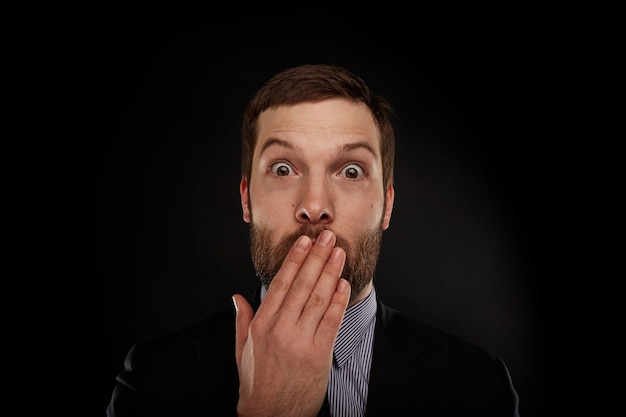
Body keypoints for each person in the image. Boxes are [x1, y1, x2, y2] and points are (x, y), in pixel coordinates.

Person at [106, 63, 520, 416]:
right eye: (284, 169)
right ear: (247, 199)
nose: (315, 206)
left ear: (387, 206)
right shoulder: (153, 380)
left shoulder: (478, 386)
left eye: (351, 171)